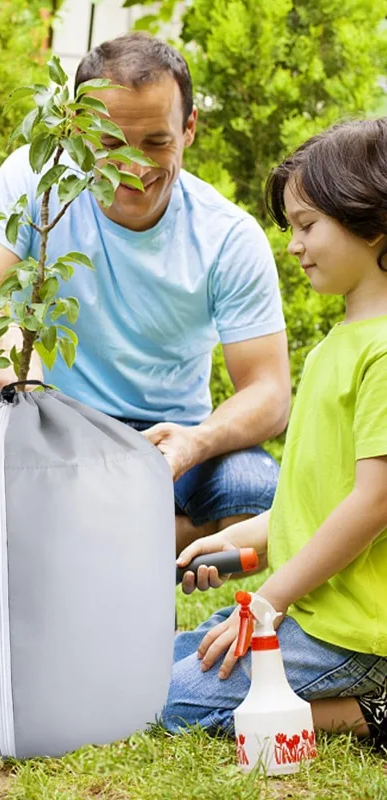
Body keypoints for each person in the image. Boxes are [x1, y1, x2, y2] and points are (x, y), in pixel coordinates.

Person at [0, 33, 291, 553]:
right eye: (109, 144)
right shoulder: (39, 178)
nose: (133, 166)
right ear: (79, 130)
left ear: (189, 128)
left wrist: (196, 441)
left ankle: (84, 544)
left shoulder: (228, 236)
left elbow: (269, 391)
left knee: (256, 491)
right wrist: (7, 335)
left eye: (156, 142)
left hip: (162, 437)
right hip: (46, 410)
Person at [163, 117, 387, 748]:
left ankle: (373, 708)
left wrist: (269, 600)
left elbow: (374, 502)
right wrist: (237, 539)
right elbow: (314, 499)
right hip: (313, 612)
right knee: (162, 658)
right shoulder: (336, 346)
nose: (294, 246)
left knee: (174, 702)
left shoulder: (382, 353)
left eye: (308, 225)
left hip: (351, 633)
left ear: (372, 221)